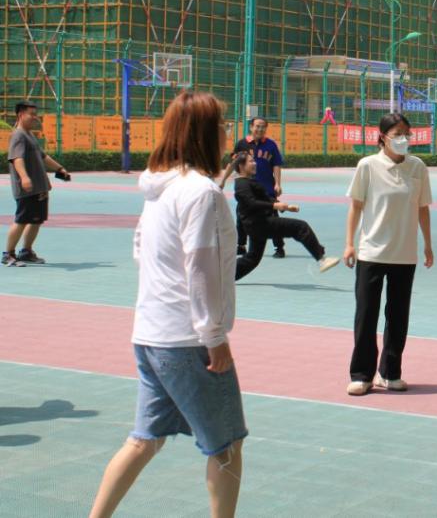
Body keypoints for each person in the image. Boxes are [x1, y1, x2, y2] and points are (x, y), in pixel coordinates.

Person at [89, 91, 246, 518]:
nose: (226, 132)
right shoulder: (202, 193)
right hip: (187, 341)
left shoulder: (159, 188)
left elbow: (141, 248)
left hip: (150, 333)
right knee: (226, 445)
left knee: (143, 439)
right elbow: (201, 267)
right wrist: (214, 335)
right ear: (204, 133)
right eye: (222, 124)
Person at [344, 112, 433, 396]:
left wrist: (428, 244)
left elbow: (423, 208)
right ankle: (362, 375)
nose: (403, 139)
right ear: (382, 137)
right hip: (371, 252)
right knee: (366, 315)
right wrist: (349, 244)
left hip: (404, 254)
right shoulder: (368, 166)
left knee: (398, 316)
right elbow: (356, 206)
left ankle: (390, 373)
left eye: (407, 133)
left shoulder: (417, 167)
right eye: (397, 134)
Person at [230, 151, 340, 279]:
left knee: (252, 259)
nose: (255, 163)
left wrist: (286, 207)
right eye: (251, 161)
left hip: (257, 225)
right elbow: (251, 203)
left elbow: (265, 198)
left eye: (254, 160)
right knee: (300, 227)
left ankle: (224, 277)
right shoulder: (241, 184)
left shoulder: (248, 181)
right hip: (260, 224)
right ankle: (321, 259)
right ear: (241, 166)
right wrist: (274, 206)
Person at [5, 101, 70, 267]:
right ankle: (8, 254)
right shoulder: (18, 135)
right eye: (32, 114)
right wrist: (24, 178)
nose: (35, 117)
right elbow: (16, 158)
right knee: (21, 220)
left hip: (39, 187)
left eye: (36, 114)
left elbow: (43, 156)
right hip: (27, 188)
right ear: (21, 115)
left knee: (36, 220)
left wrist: (60, 168)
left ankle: (26, 251)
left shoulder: (29, 135)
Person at [232, 117, 285, 258]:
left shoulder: (271, 145)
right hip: (247, 187)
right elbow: (234, 163)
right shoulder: (242, 144)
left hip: (266, 187)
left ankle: (279, 247)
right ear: (251, 127)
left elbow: (276, 164)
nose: (260, 129)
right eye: (257, 126)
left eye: (263, 127)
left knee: (273, 217)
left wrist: (277, 183)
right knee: (241, 216)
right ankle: (241, 246)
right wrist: (225, 180)